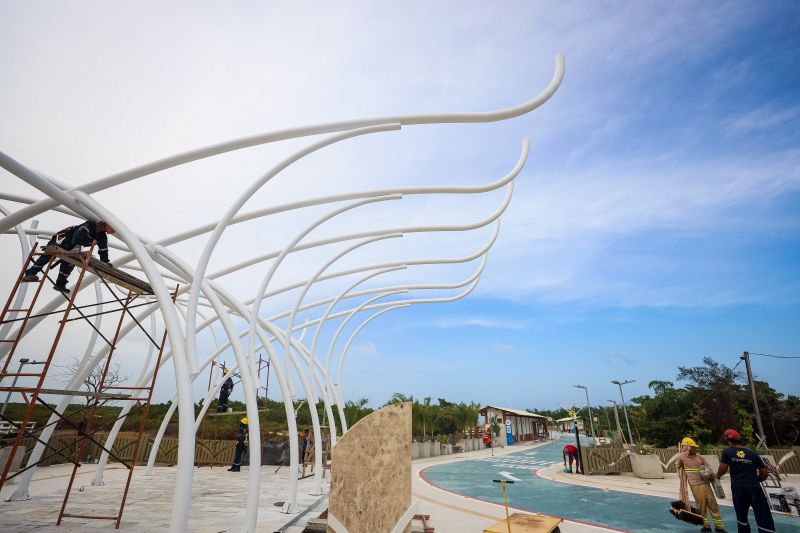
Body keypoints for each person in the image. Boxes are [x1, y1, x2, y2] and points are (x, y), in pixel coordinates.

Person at [22, 219, 114, 293]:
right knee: (48, 255)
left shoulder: (102, 236)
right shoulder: (89, 225)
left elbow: (103, 249)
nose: (102, 229)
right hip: (61, 240)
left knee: (70, 262)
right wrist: (78, 245)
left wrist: (105, 262)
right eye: (102, 227)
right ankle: (30, 274)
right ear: (100, 224)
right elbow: (79, 233)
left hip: (71, 247)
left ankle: (60, 284)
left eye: (104, 229)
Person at [716, 429, 775, 533]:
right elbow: (764, 473)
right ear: (739, 440)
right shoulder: (753, 454)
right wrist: (757, 480)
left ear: (729, 441)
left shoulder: (727, 452)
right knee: (763, 515)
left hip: (738, 488)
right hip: (754, 487)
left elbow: (723, 469)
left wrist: (717, 476)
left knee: (741, 515)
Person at [674, 437, 726, 532]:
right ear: (688, 447)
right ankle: (706, 527)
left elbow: (708, 467)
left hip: (706, 484)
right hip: (695, 485)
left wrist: (709, 473)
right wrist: (680, 471)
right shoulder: (681, 457)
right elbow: (677, 466)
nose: (696, 449)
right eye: (694, 447)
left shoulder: (699, 457)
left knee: (713, 505)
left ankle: (719, 527)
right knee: (701, 506)